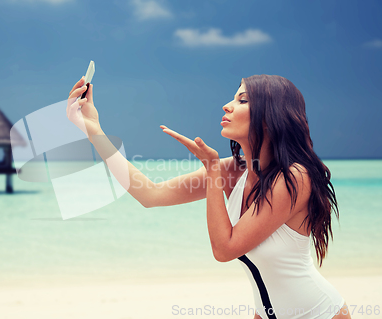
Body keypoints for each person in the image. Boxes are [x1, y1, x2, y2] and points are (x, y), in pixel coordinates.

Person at [67, 74, 351, 319]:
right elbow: (150, 194)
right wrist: (94, 130)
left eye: (242, 100)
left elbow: (225, 249)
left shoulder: (294, 177)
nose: (227, 105)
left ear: (269, 118)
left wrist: (213, 170)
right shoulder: (233, 171)